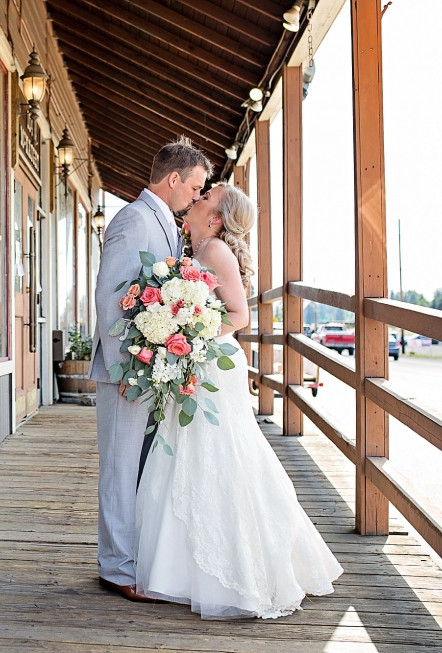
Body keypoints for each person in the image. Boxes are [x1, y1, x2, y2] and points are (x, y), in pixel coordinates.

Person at [135, 183, 343, 618]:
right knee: (185, 451)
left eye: (207, 196)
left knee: (221, 452)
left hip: (210, 361)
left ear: (216, 217)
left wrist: (185, 336)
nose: (198, 197)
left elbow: (239, 315)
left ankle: (244, 568)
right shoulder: (193, 245)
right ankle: (178, 569)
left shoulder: (214, 251)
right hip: (191, 358)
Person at [89, 138, 212, 602]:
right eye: (195, 187)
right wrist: (131, 369)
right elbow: (110, 300)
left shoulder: (163, 222)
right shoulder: (133, 220)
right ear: (173, 178)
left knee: (141, 467)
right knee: (120, 469)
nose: (197, 198)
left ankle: (134, 556)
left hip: (152, 368)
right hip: (129, 372)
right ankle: (116, 568)